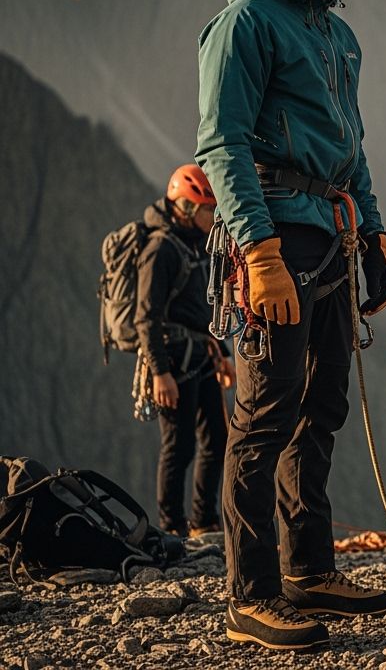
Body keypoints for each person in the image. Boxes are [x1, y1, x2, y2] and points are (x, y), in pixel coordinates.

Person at [196, 0, 386, 651]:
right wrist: (259, 250)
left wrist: (375, 236)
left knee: (322, 408)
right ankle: (250, 594)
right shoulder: (245, 23)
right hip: (277, 235)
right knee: (265, 415)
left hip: (332, 235)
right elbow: (223, 143)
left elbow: (354, 148)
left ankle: (310, 569)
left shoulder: (335, 32)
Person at [136, 164, 235, 538]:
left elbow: (203, 309)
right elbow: (146, 318)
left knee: (216, 438)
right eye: (209, 209)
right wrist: (160, 372)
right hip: (173, 360)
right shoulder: (160, 249)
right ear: (188, 208)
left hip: (202, 354)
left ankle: (203, 521)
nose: (214, 216)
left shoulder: (198, 245)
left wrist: (223, 354)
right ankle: (172, 527)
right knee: (179, 445)